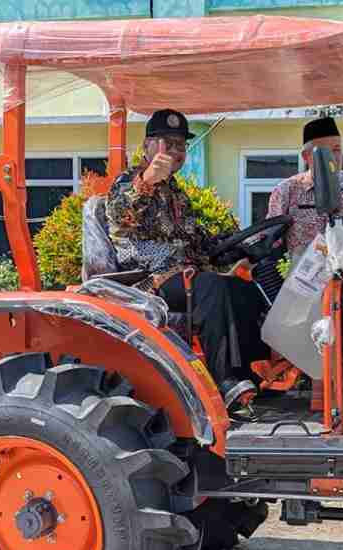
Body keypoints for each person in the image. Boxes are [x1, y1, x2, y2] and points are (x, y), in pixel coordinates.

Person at [105, 109, 267, 406]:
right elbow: (119, 215)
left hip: (184, 274)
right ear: (147, 146)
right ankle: (225, 381)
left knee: (245, 289)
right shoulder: (129, 181)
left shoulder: (177, 193)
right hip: (148, 280)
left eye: (181, 145)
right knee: (212, 288)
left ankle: (255, 375)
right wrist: (147, 181)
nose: (176, 151)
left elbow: (197, 241)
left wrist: (240, 246)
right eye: (168, 144)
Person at [265, 117, 343, 257]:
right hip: (303, 276)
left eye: (337, 150)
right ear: (306, 156)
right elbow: (269, 238)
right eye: (325, 152)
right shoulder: (286, 190)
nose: (333, 158)